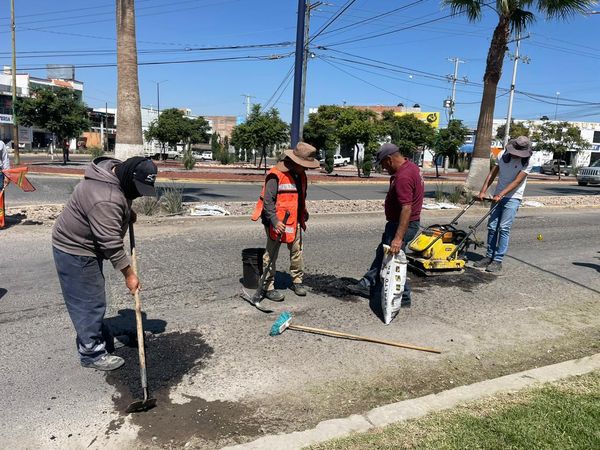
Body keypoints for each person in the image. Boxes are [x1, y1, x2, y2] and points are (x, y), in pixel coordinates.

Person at [52, 156, 158, 371]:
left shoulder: (114, 173)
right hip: (76, 249)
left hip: (88, 242)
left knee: (93, 297)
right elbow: (111, 244)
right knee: (88, 302)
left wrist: (126, 214)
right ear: (128, 178)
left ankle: (102, 340)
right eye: (136, 189)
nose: (137, 194)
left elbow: (118, 201)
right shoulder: (105, 198)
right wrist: (130, 275)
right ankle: (91, 352)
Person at [347, 143, 424, 306]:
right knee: (382, 253)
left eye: (382, 164)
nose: (383, 168)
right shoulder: (409, 167)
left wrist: (398, 238)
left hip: (402, 225)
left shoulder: (404, 176)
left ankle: (404, 297)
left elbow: (406, 209)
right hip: (400, 223)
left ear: (389, 159)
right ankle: (367, 284)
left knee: (394, 260)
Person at [251, 142, 320, 301]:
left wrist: (304, 212)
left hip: (294, 220)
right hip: (276, 221)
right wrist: (275, 221)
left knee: (297, 251)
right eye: (304, 165)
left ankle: (297, 281)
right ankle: (268, 286)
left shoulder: (301, 175)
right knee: (271, 254)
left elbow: (299, 197)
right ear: (295, 162)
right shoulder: (276, 175)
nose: (306, 169)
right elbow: (268, 202)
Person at [474, 136, 534, 273]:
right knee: (492, 226)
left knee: (503, 228)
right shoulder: (502, 155)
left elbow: (517, 182)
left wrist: (501, 194)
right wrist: (483, 191)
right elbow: (492, 174)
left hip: (513, 197)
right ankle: (489, 256)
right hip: (497, 196)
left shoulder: (528, 161)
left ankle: (498, 260)